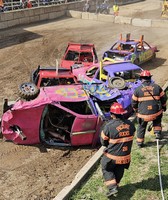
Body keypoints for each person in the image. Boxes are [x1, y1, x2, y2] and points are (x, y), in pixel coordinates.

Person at [100, 102, 135, 198]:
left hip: (112, 156)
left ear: (112, 114)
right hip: (125, 156)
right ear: (122, 113)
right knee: (120, 168)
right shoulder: (131, 125)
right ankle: (116, 184)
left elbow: (103, 142)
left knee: (106, 167)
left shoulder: (109, 126)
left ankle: (112, 188)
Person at [132, 70, 167, 148]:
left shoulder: (137, 90)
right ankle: (157, 132)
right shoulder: (157, 87)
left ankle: (140, 142)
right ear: (150, 78)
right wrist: (164, 106)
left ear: (141, 78)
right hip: (156, 113)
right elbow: (164, 98)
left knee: (141, 127)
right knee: (157, 120)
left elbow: (133, 103)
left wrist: (136, 110)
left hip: (143, 115)